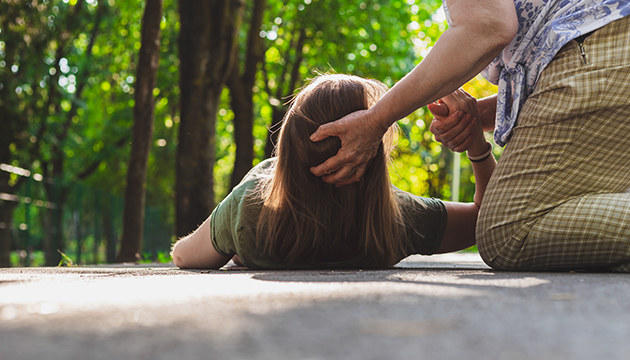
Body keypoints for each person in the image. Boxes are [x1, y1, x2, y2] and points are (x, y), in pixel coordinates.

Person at [309, 1, 630, 271]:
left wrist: (376, 119)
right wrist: (478, 121)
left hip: (599, 44)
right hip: (609, 42)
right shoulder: (404, 219)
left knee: (508, 233)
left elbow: (487, 26)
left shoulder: (259, 213)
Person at [171, 74, 495, 269]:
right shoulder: (398, 218)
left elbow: (184, 257)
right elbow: (487, 219)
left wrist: (237, 240)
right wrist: (477, 147)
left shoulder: (250, 209)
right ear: (371, 155)